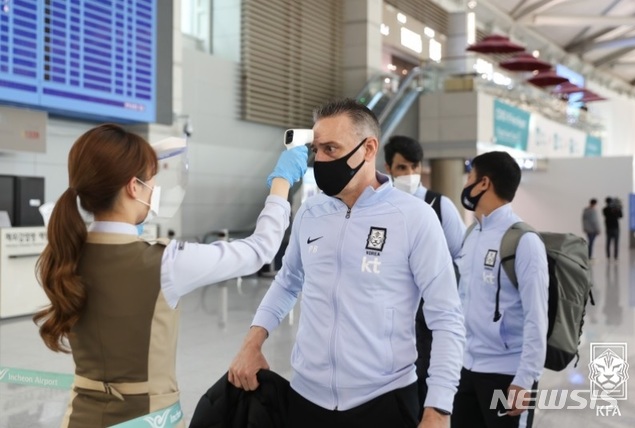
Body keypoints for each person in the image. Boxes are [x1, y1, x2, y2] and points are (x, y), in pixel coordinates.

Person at [32, 123, 308, 428]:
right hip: (148, 420)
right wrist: (282, 182)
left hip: (79, 417)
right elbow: (260, 250)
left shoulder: (65, 255)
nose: (153, 189)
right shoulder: (166, 263)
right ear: (133, 187)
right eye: (149, 181)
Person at [229, 98, 466, 428]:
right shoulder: (312, 212)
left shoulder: (414, 217)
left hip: (385, 400)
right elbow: (287, 282)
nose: (321, 160)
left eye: (331, 149)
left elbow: (447, 318)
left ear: (368, 148)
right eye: (317, 150)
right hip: (306, 398)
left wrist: (439, 407)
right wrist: (251, 344)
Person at [452, 151, 548, 428]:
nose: (466, 184)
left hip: (507, 374)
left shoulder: (524, 241)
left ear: (483, 183)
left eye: (469, 177)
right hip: (466, 369)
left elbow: (536, 317)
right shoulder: (472, 234)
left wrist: (525, 379)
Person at [383, 135, 466, 411]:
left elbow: (460, 257)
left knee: (427, 380)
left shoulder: (441, 206)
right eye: (402, 168)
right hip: (389, 314)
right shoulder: (382, 207)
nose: (410, 174)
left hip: (429, 317)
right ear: (389, 168)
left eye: (414, 167)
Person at [602, 196, 623, 261]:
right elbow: (618, 216)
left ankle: (613, 256)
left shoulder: (610, 209)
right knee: (610, 243)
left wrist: (619, 209)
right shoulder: (605, 209)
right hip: (611, 227)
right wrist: (617, 209)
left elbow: (620, 216)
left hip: (612, 227)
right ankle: (610, 256)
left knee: (612, 243)